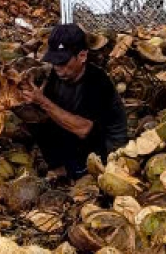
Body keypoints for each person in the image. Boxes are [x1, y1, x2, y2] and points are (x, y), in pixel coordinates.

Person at [21, 23, 128, 179]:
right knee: (38, 122)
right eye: (54, 61)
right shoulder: (56, 75)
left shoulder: (97, 81)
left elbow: (84, 129)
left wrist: (42, 101)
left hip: (105, 144)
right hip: (74, 132)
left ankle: (73, 170)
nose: (58, 67)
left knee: (50, 111)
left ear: (82, 56)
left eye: (63, 62)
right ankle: (61, 165)